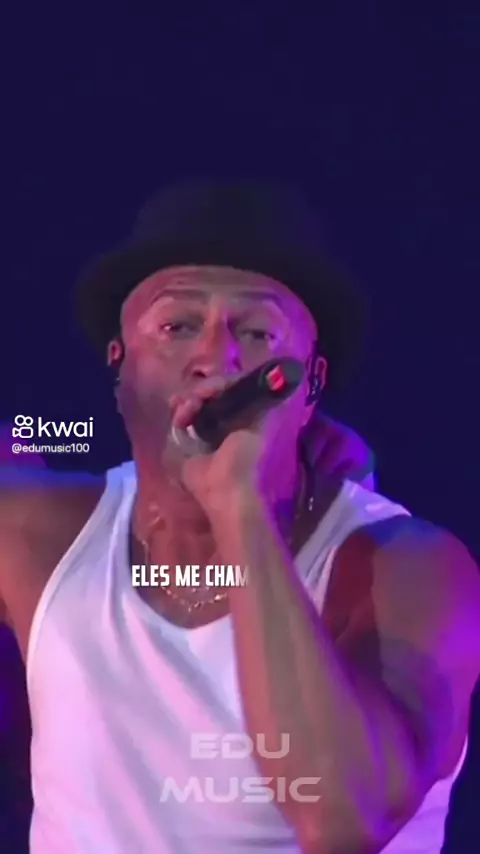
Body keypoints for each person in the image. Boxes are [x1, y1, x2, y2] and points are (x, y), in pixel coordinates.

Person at [0, 182, 479, 854]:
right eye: (177, 327)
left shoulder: (407, 568)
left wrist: (239, 507)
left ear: (309, 387)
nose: (216, 359)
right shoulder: (37, 535)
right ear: (119, 366)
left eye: (256, 334)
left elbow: (341, 820)